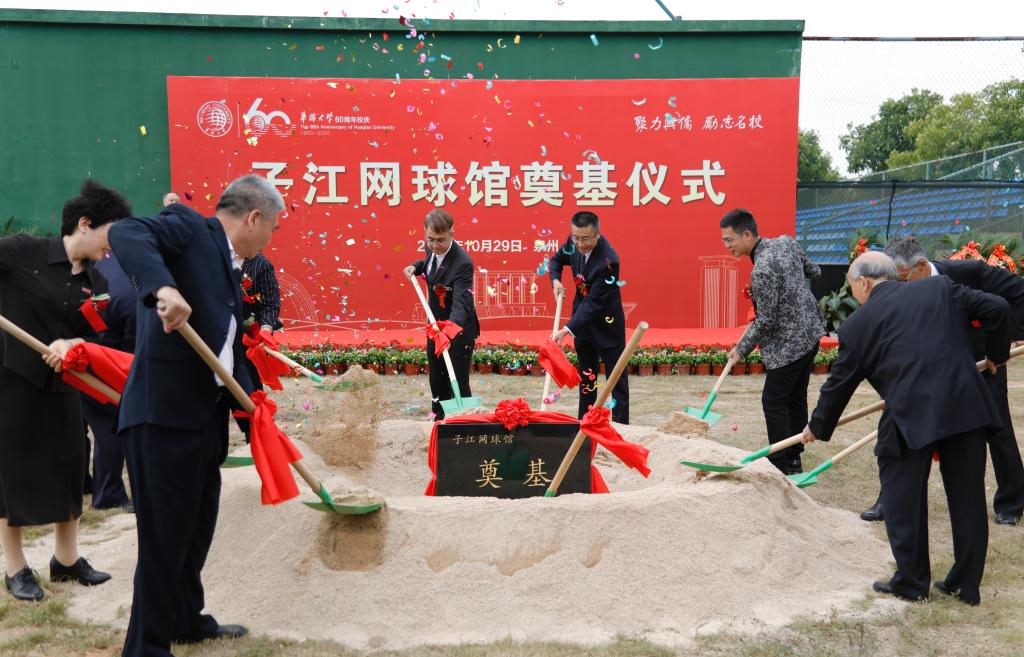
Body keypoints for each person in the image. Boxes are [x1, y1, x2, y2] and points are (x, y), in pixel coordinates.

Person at [109, 174, 283, 656]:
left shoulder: (228, 267)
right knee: (164, 538)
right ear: (254, 218)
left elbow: (227, 355)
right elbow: (126, 232)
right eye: (272, 229)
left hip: (202, 421)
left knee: (195, 529)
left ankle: (185, 618)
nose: (270, 240)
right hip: (162, 417)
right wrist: (163, 289)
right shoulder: (189, 228)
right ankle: (146, 647)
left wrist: (254, 414)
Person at [802, 251, 1009, 606]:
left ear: (864, 283)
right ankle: (966, 586)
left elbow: (839, 384)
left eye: (853, 288)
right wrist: (995, 355)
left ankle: (912, 583)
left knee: (901, 495)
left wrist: (816, 427)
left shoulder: (858, 324)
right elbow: (998, 307)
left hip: (911, 413)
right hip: (963, 403)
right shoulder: (938, 288)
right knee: (968, 498)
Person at [0, 180, 127, 601]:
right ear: (85, 224)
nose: (112, 245)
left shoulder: (97, 280)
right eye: (110, 233)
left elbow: (99, 337)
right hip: (13, 383)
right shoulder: (23, 251)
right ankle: (15, 568)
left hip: (65, 387)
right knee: (12, 473)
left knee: (70, 464)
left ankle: (66, 560)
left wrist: (74, 344)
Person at [855, 236, 1024, 525]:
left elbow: (1017, 294)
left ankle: (1011, 502)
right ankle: (891, 499)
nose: (897, 288)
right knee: (901, 430)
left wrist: (1001, 346)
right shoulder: (901, 290)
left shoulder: (970, 272)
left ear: (921, 266)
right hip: (925, 364)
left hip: (982, 363)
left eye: (902, 279)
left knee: (998, 430)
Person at [721, 208, 824, 474]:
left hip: (789, 345)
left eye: (729, 239)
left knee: (774, 401)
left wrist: (741, 349)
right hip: (811, 333)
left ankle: (779, 464)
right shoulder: (786, 242)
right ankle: (794, 457)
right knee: (796, 397)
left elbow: (766, 321)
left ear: (747, 234)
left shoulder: (762, 269)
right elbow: (814, 271)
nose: (727, 245)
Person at [549, 211, 629, 424]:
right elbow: (556, 260)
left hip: (606, 325)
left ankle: (621, 427)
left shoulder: (609, 262)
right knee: (587, 377)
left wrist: (567, 329)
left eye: (585, 239)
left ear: (597, 234)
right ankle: (584, 424)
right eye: (576, 238)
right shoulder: (573, 242)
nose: (580, 244)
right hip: (583, 324)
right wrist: (556, 280)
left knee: (616, 379)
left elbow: (593, 303)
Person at [403, 209, 480, 420]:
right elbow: (429, 264)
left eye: (440, 240)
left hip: (458, 329)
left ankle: (463, 422)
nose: (435, 245)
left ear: (452, 234)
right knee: (437, 378)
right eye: (430, 239)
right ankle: (439, 419)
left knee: (457, 379)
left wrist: (449, 332)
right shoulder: (431, 247)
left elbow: (461, 304)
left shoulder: (463, 263)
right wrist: (416, 267)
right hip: (434, 327)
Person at [82, 252, 135, 510]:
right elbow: (132, 348)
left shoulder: (101, 263)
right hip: (103, 360)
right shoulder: (131, 282)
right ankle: (108, 495)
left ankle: (87, 486)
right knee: (109, 427)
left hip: (81, 352)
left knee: (91, 427)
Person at [235, 251, 283, 440]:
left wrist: (265, 329)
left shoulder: (261, 265)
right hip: (219, 338)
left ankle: (255, 441)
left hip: (249, 342)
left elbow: (270, 304)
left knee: (250, 393)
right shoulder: (215, 257)